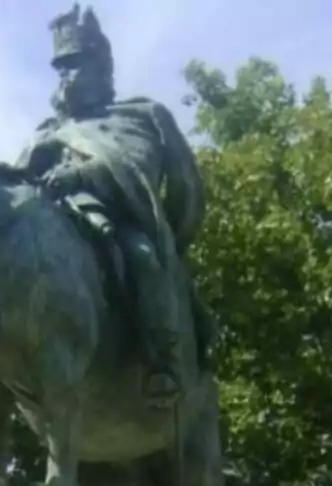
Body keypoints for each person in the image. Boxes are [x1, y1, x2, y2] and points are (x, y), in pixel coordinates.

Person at [15, 3, 212, 405]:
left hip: (117, 223)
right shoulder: (48, 131)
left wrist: (169, 240)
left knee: (141, 258)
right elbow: (16, 186)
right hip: (53, 224)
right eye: (60, 69)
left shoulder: (141, 116)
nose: (65, 77)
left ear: (101, 69)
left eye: (74, 66)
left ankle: (162, 362)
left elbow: (144, 172)